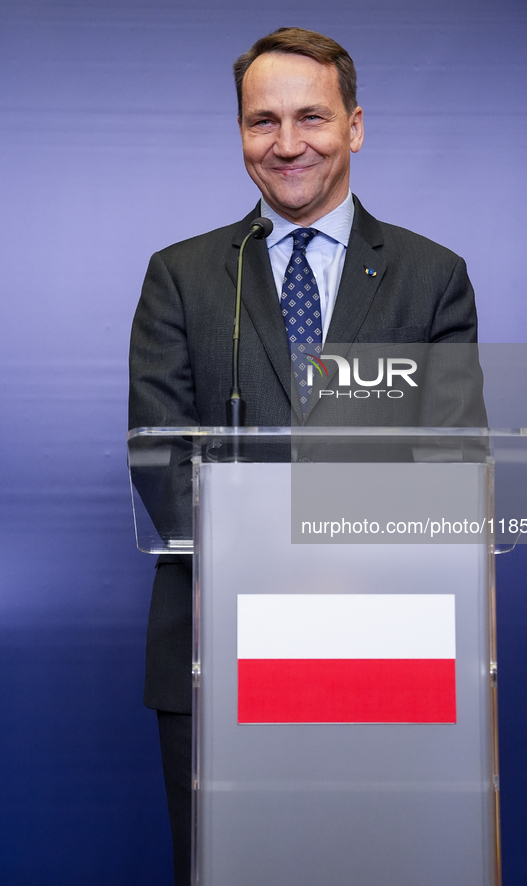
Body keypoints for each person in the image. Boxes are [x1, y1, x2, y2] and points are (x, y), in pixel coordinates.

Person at [129, 26, 486, 886]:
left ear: (354, 126)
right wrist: (254, 568)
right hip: (216, 646)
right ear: (242, 133)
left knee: (369, 863)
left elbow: (452, 455)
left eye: (311, 118)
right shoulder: (181, 274)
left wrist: (341, 575)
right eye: (262, 122)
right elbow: (159, 449)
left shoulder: (429, 275)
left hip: (379, 645)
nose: (286, 145)